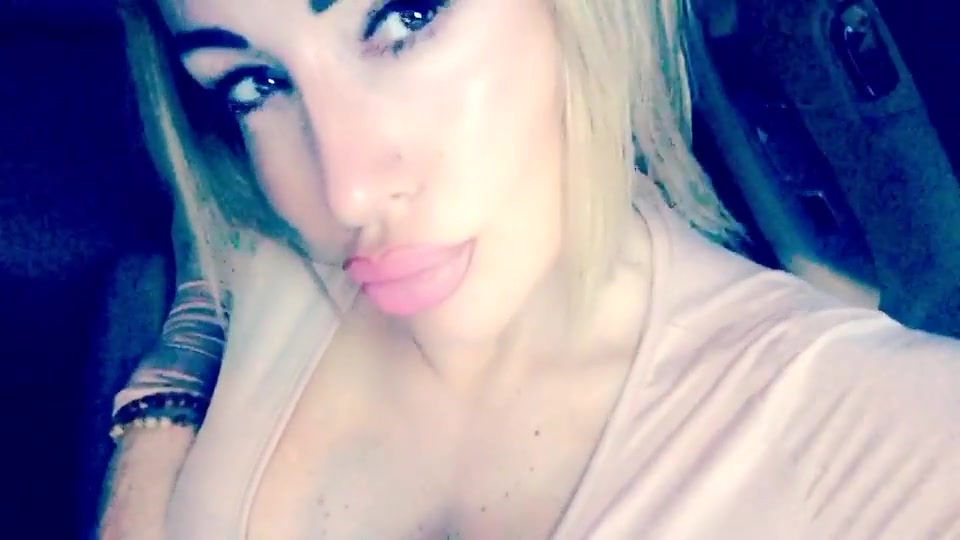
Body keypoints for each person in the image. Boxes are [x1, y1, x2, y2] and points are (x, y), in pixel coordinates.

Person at [100, 0, 960, 538]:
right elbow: (208, 249)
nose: (346, 192)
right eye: (254, 83)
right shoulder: (270, 232)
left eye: (405, 18)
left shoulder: (893, 444)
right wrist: (156, 423)